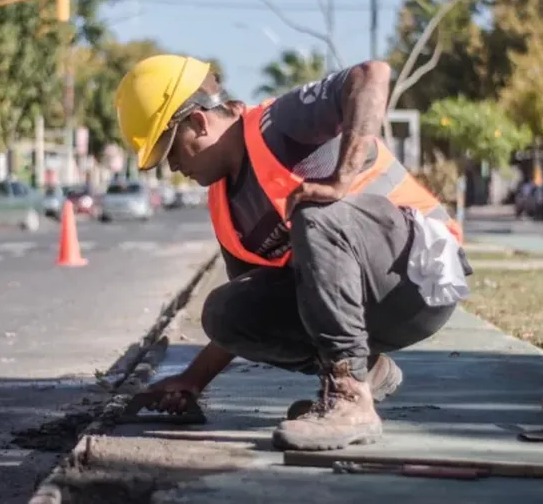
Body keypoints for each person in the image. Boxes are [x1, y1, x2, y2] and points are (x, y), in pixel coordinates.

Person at [114, 55, 473, 451]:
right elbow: (262, 311)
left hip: (420, 276)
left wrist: (341, 180)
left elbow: (372, 75)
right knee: (227, 312)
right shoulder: (226, 208)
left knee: (312, 209)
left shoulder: (277, 125)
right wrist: (192, 380)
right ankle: (368, 371)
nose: (173, 166)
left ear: (199, 122)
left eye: (171, 149)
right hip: (371, 307)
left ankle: (349, 398)